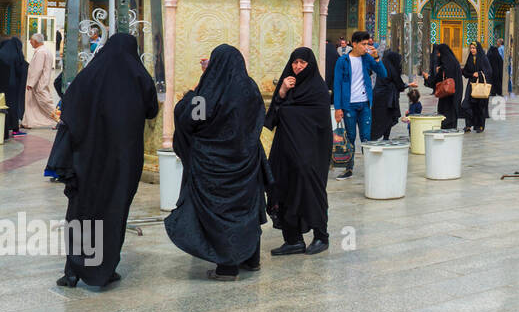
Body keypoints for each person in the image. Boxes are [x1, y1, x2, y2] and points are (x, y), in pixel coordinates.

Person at [49, 33, 159, 289]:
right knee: (113, 211)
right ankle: (104, 270)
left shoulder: (90, 75)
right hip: (122, 162)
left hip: (86, 160)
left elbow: (67, 100)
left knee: (80, 211)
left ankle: (72, 272)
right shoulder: (139, 76)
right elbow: (152, 110)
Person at [165, 45, 269, 281]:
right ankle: (251, 259)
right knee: (245, 210)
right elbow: (257, 119)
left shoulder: (208, 93)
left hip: (213, 163)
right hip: (245, 161)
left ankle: (227, 267)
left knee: (220, 212)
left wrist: (190, 96)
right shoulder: (250, 89)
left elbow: (192, 120)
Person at [264, 47, 331, 256]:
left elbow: (318, 124)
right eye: (295, 62)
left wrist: (287, 109)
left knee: (311, 189)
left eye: (302, 62)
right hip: (286, 150)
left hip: (311, 153)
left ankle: (321, 236)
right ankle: (293, 240)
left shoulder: (318, 89)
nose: (298, 66)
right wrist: (282, 92)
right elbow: (272, 119)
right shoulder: (287, 85)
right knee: (284, 189)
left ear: (310, 64)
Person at [332, 30, 387, 179]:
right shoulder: (342, 61)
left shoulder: (367, 59)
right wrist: (338, 108)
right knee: (350, 137)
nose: (365, 47)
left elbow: (383, 74)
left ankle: (370, 168)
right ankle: (349, 169)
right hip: (349, 105)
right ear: (354, 44)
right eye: (363, 44)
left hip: (364, 104)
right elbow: (337, 84)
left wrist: (376, 58)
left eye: (367, 44)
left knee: (366, 138)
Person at [22, 32, 58, 128]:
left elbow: (37, 69)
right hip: (40, 81)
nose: (30, 42)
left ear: (36, 41)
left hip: (39, 83)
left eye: (31, 40)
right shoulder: (45, 50)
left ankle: (60, 118)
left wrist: (31, 83)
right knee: (32, 102)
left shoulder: (41, 52)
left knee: (45, 102)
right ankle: (27, 122)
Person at [423, 43, 463, 130]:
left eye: (439, 53)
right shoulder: (455, 62)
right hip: (455, 96)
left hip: (447, 96)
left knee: (445, 118)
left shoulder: (445, 66)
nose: (437, 55)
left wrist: (427, 78)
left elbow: (436, 80)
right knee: (452, 116)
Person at [370, 48, 405, 140]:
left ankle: (375, 139)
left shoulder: (384, 65)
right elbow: (399, 84)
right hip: (387, 100)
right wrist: (407, 85)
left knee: (378, 120)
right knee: (387, 119)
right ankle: (384, 138)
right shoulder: (391, 69)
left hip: (379, 97)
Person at [0, 36, 28, 139]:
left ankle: (3, 130)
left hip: (2, 87)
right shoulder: (17, 55)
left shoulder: (2, 53)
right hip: (13, 87)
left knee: (2, 108)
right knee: (13, 107)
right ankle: (15, 129)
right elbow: (21, 70)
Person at [462, 41, 492, 132]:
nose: (472, 50)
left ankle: (480, 126)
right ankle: (468, 125)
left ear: (477, 49)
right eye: (471, 48)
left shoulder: (483, 59)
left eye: (474, 48)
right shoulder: (470, 59)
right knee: (466, 104)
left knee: (480, 106)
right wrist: (470, 74)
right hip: (471, 85)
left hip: (481, 86)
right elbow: (466, 72)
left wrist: (478, 74)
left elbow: (489, 71)